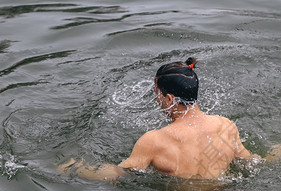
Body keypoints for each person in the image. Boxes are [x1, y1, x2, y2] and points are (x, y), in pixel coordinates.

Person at [59, 57, 267, 181]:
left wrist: (76, 168)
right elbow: (250, 162)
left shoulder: (154, 140)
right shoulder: (226, 125)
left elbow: (117, 174)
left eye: (156, 94)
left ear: (169, 98)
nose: (156, 100)